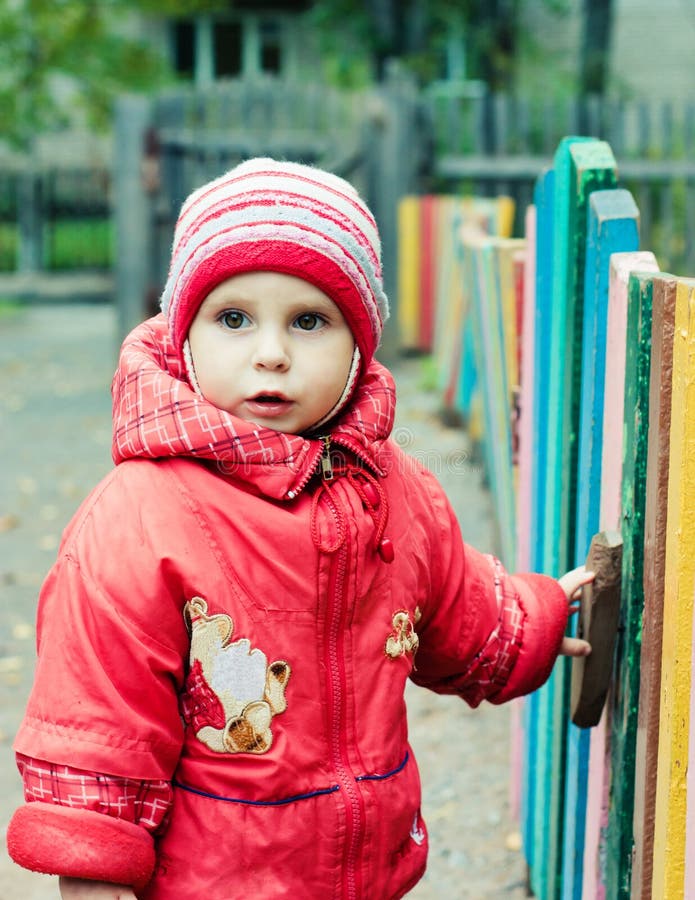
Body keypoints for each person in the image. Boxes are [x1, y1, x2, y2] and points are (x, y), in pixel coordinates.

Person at [6, 158, 591, 900]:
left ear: (358, 347)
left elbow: (451, 598)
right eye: (233, 319)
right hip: (209, 882)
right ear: (184, 338)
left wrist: (533, 617)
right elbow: (100, 722)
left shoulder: (391, 488)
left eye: (309, 321)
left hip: (364, 871)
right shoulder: (138, 518)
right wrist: (93, 873)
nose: (271, 352)